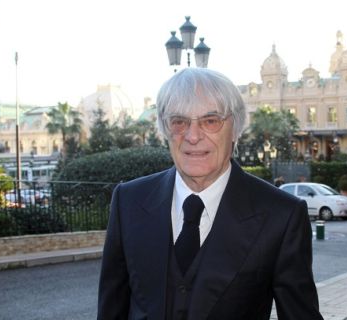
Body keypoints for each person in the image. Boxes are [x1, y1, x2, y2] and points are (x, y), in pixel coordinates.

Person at [97, 68, 323, 320]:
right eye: (179, 122)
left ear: (236, 128)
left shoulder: (282, 215)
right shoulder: (128, 201)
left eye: (211, 120)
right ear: (164, 129)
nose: (193, 136)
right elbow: (111, 308)